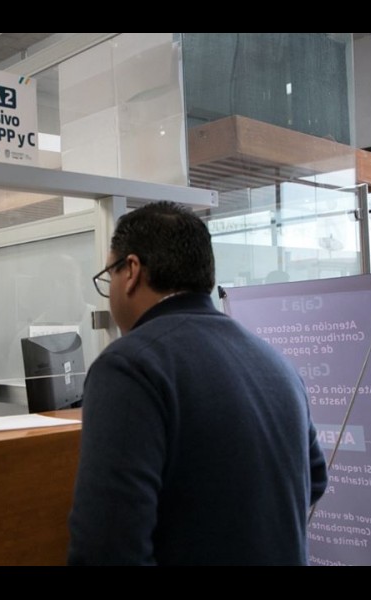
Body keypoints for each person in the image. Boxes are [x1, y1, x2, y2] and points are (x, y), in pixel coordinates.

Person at [68, 201, 327, 565]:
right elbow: (314, 479)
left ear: (132, 271)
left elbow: (107, 546)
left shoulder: (129, 366)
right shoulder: (274, 361)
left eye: (109, 275)